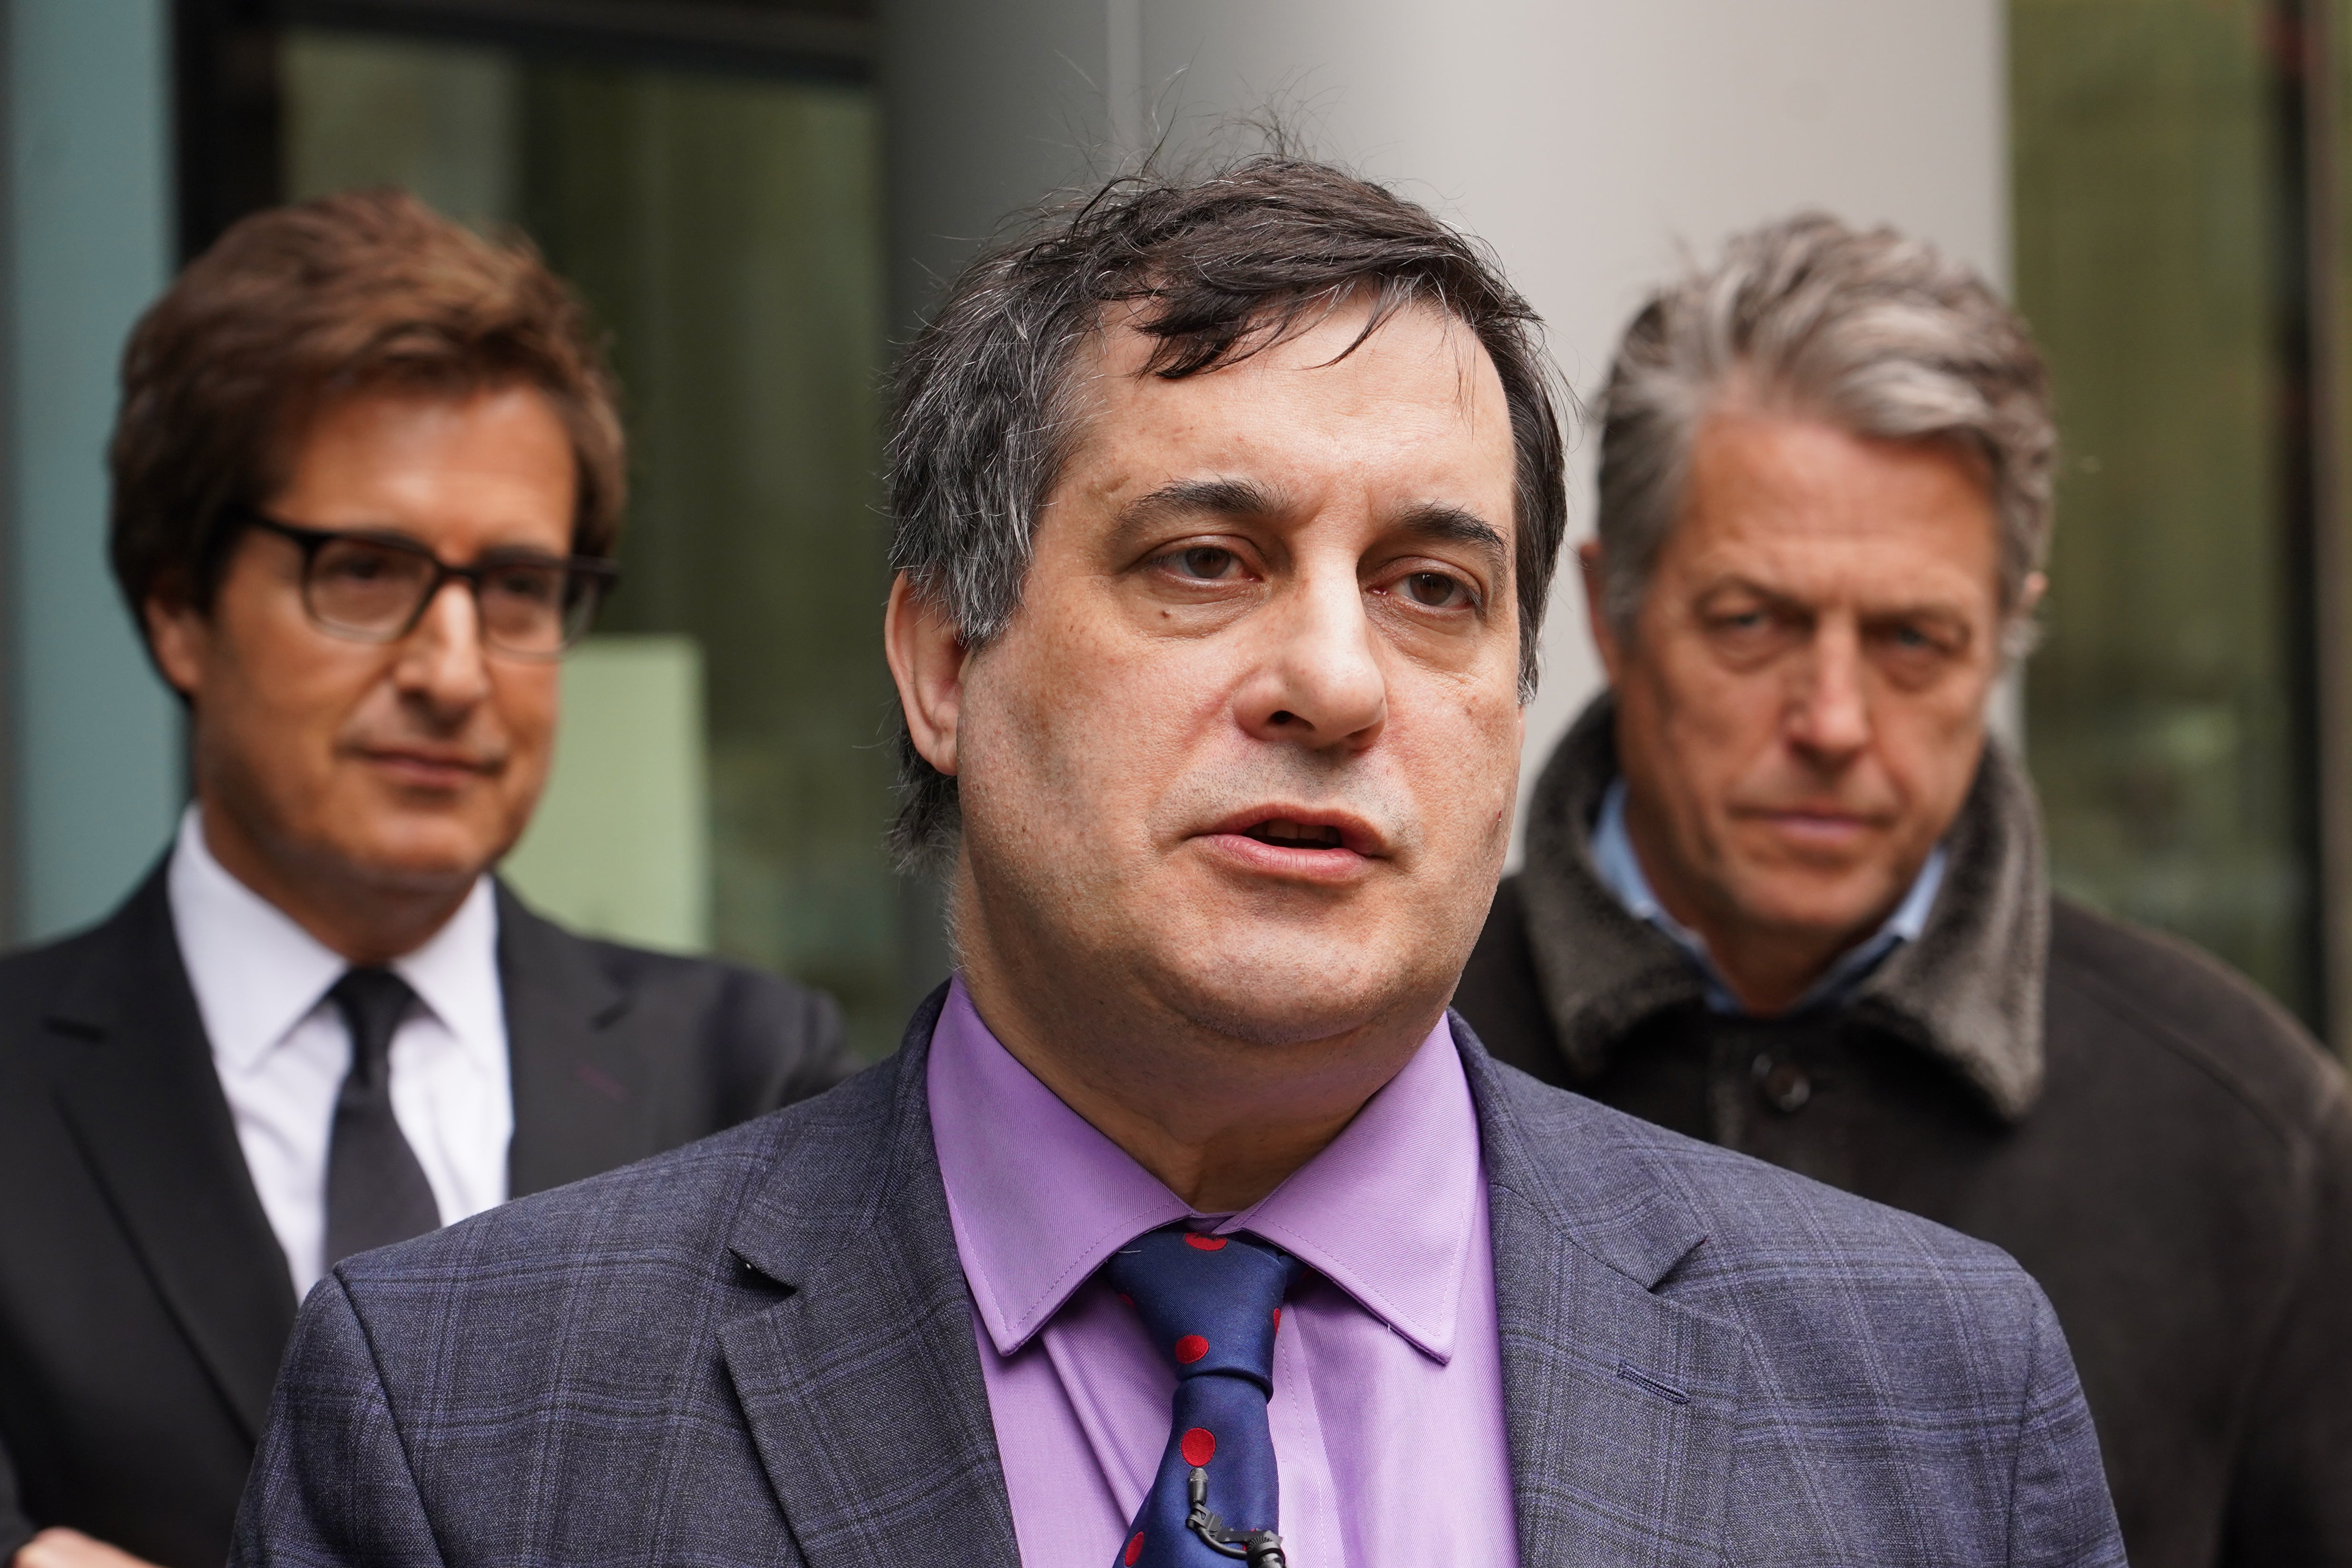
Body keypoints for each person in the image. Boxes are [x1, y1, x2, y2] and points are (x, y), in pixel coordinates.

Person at [230, 158, 2123, 1568]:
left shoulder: (1932, 1395)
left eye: (1433, 588)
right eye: (1203, 560)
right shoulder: (470, 1425)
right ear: (941, 659)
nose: (1331, 676)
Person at [1453, 213, 2352, 1568]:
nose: (1831, 717)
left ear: (2006, 639)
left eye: (1914, 641)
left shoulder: (2250, 1137)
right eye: (1753, 621)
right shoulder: (1391, 1049)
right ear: (1606, 611)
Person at [0, 191, 853, 1568]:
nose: (454, 671)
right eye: (365, 572)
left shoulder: (747, 1080)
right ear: (178, 610)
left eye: (516, 587)